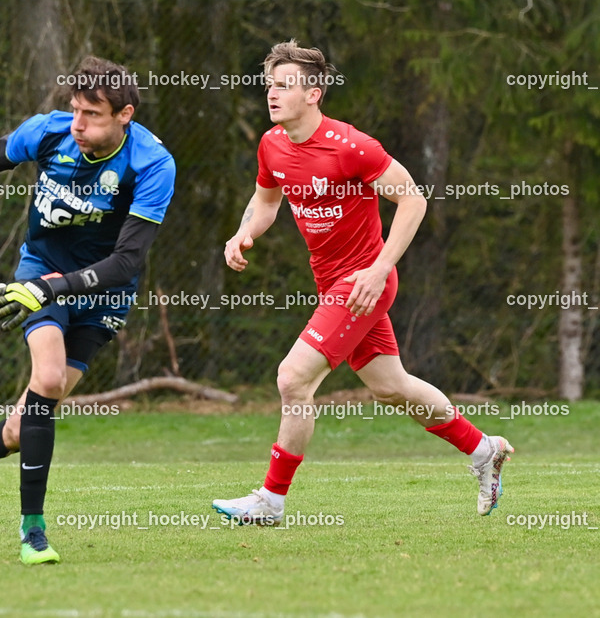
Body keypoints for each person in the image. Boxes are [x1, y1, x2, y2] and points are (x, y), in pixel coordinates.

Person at [0, 56, 175, 563]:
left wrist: (57, 288)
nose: (79, 125)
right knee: (47, 379)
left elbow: (127, 258)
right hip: (38, 271)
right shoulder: (48, 133)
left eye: (93, 115)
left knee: (23, 428)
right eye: (75, 111)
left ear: (125, 114)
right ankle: (33, 532)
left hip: (104, 292)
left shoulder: (152, 163)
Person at [214, 40, 513, 525]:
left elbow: (413, 200)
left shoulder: (351, 146)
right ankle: (483, 449)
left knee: (292, 379)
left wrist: (379, 268)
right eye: (270, 83)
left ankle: (271, 501)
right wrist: (243, 231)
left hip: (362, 284)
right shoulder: (272, 144)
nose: (272, 93)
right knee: (392, 388)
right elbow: (266, 202)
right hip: (330, 283)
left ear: (314, 94)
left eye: (284, 85)